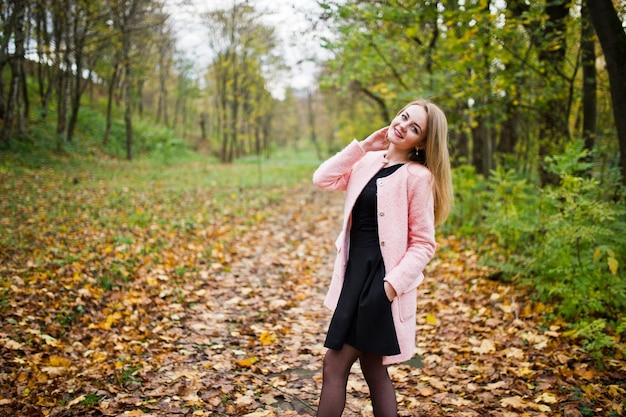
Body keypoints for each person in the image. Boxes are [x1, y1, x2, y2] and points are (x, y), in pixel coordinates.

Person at [312, 99, 453, 417]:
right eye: (404, 116)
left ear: (421, 143)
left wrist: (390, 288)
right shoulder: (368, 161)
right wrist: (362, 146)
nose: (403, 125)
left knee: (335, 364)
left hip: (379, 283)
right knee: (373, 369)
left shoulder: (417, 177)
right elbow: (323, 179)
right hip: (355, 277)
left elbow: (423, 244)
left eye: (414, 127)